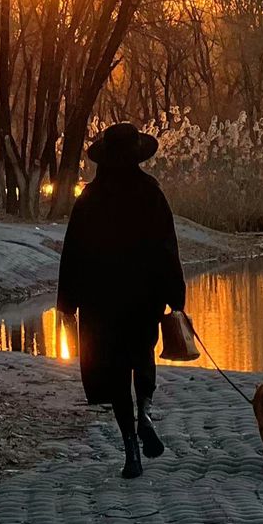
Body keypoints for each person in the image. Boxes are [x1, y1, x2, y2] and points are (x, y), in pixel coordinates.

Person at [57, 122, 186, 479]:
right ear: (136, 156)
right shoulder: (150, 193)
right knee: (142, 358)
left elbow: (73, 252)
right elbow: (167, 247)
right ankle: (145, 412)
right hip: (144, 298)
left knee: (115, 373)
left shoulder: (90, 198)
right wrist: (175, 296)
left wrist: (67, 302)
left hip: (102, 302)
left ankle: (131, 449)